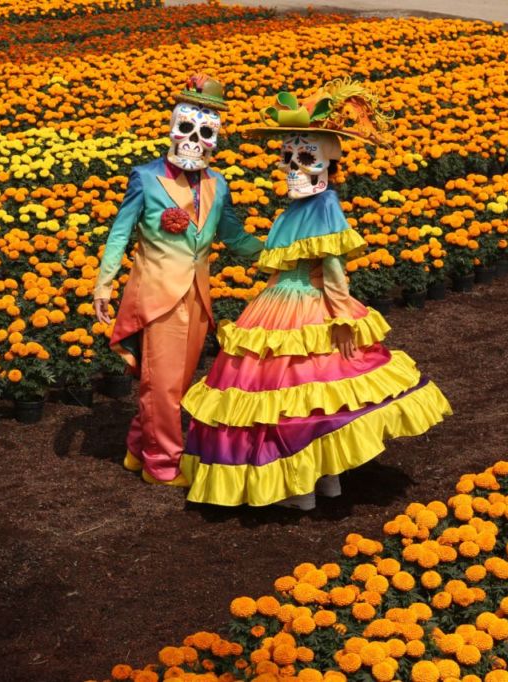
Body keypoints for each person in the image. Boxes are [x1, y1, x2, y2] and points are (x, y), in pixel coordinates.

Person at [180, 79, 452, 509]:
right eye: (287, 156)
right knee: (298, 398)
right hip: (279, 303)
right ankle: (322, 483)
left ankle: (307, 486)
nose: (293, 166)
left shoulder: (324, 205)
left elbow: (332, 267)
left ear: (328, 163)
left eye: (305, 158)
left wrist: (343, 316)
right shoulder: (299, 206)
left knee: (301, 398)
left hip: (307, 305)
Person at [94, 74, 264, 487]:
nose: (193, 139)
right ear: (172, 129)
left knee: (172, 386)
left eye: (204, 132)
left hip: (197, 298)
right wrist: (105, 282)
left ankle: (138, 449)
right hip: (157, 295)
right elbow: (121, 231)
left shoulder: (217, 184)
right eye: (186, 128)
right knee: (165, 388)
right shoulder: (146, 178)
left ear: (214, 140)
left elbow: (233, 235)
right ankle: (163, 464)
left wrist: (279, 251)